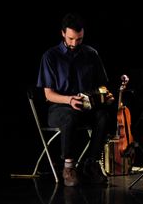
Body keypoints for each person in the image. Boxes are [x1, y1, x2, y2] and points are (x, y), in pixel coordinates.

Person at [36, 12, 114, 186]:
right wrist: (69, 100)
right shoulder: (50, 56)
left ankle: (91, 163)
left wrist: (105, 96)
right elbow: (48, 94)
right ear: (63, 33)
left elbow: (102, 85)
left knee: (104, 116)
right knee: (70, 116)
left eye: (79, 39)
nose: (74, 43)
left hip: (86, 106)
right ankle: (69, 167)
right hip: (60, 108)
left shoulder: (91, 53)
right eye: (71, 39)